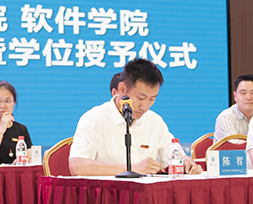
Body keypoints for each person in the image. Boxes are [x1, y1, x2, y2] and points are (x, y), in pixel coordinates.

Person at [69, 58, 201, 176]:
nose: (145, 106)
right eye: (140, 98)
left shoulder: (154, 121)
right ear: (122, 89)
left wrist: (186, 161)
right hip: (107, 194)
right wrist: (132, 168)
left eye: (152, 99)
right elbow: (77, 166)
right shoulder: (94, 119)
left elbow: (173, 153)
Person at [213, 74, 253, 141]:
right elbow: (235, 145)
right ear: (235, 96)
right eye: (243, 93)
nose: (249, 97)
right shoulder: (226, 117)